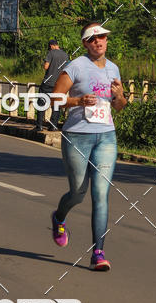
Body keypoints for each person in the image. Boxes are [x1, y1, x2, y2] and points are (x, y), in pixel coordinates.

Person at [50, 22, 127, 271]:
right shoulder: (75, 67)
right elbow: (54, 98)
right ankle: (59, 217)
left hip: (106, 136)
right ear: (85, 43)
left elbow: (119, 106)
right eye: (93, 39)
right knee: (78, 192)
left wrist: (119, 95)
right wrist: (77, 100)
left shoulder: (113, 68)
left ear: (106, 40)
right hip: (77, 136)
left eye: (102, 37)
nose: (98, 42)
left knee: (101, 195)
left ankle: (98, 252)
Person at [37, 39, 69, 132]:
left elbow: (46, 66)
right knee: (56, 106)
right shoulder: (65, 55)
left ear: (51, 46)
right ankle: (53, 126)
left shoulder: (51, 53)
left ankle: (39, 126)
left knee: (41, 104)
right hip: (59, 84)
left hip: (48, 83)